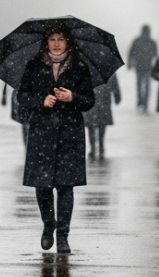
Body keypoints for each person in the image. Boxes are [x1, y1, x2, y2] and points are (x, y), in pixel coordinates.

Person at [17, 28, 96, 254]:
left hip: (69, 133)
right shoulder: (34, 65)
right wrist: (41, 101)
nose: (56, 44)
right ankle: (48, 225)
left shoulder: (79, 67)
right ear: (46, 42)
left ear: (68, 42)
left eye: (61, 39)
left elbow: (89, 100)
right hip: (42, 132)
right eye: (52, 39)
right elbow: (22, 96)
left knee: (65, 185)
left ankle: (63, 235)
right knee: (42, 186)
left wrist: (72, 97)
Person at [84, 64, 121, 160]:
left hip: (101, 99)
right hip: (93, 99)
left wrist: (117, 96)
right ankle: (95, 146)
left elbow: (114, 82)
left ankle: (99, 145)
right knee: (94, 125)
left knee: (99, 124)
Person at [127, 25, 158, 112]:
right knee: (147, 86)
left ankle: (140, 102)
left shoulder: (137, 41)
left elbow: (131, 53)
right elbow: (156, 55)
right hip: (148, 67)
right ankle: (145, 104)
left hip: (139, 67)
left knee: (139, 85)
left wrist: (130, 64)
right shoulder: (152, 42)